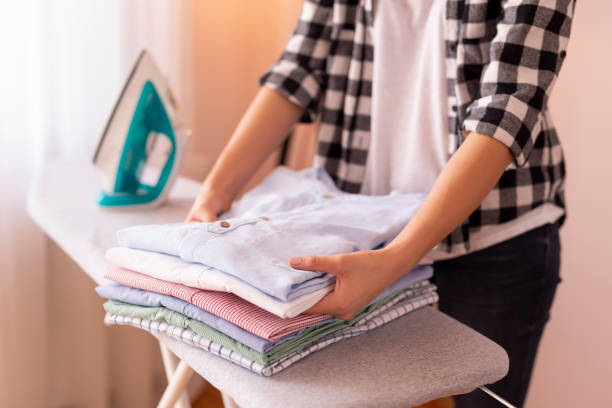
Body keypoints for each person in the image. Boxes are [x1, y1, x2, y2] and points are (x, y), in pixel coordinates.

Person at [186, 0, 575, 406]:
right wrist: (214, 193)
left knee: (486, 400)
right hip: (362, 230)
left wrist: (398, 257)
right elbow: (299, 67)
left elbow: (508, 104)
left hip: (493, 235)